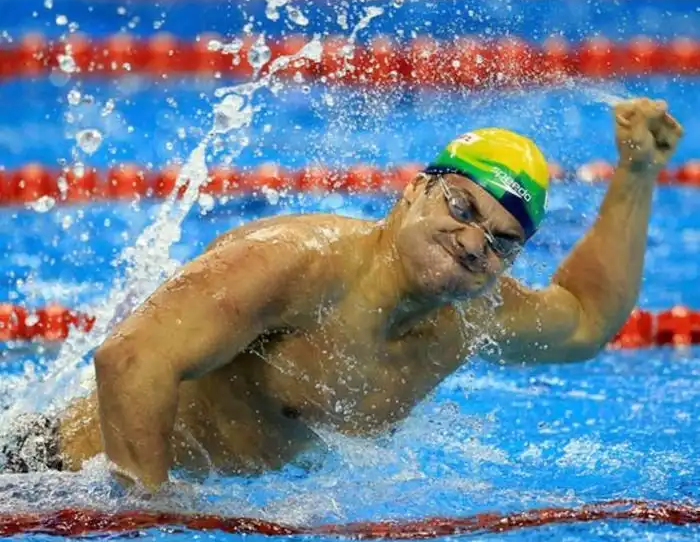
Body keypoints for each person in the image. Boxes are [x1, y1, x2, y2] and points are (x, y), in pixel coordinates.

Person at [1, 97, 683, 492]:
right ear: (413, 189)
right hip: (48, 482)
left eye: (503, 241)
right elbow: (131, 358)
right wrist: (147, 522)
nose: (475, 242)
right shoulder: (296, 263)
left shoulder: (468, 317)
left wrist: (638, 172)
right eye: (462, 206)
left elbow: (587, 320)